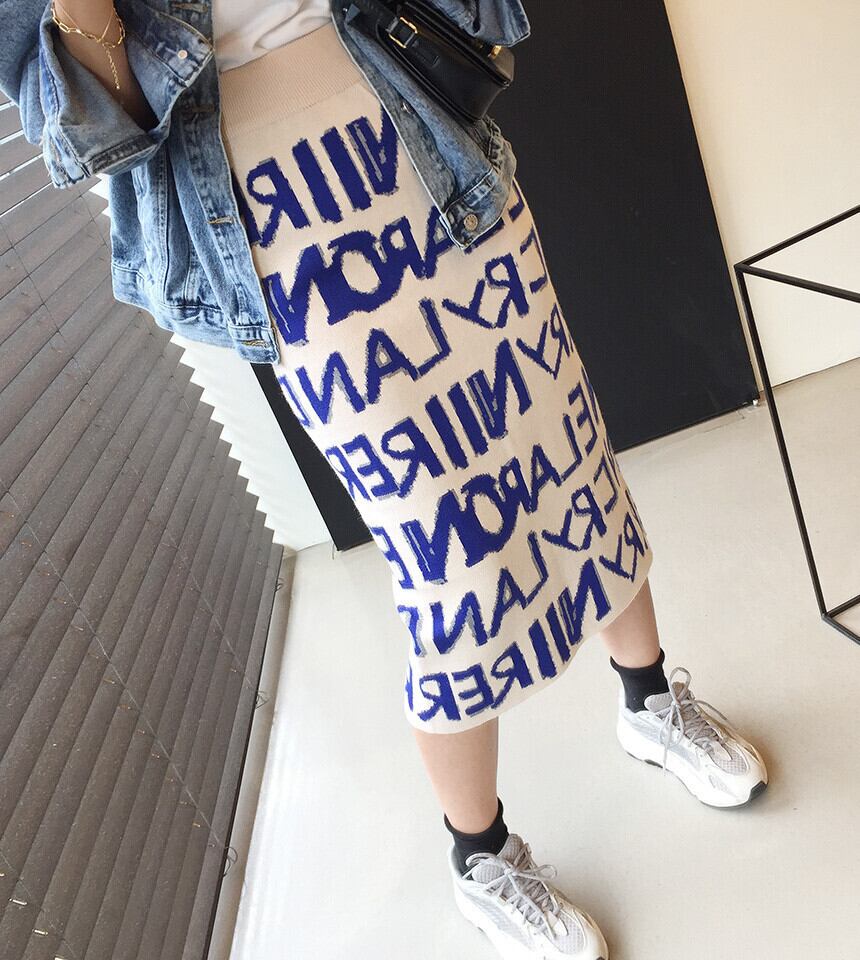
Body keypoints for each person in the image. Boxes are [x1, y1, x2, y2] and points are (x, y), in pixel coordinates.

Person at [0, 2, 768, 957]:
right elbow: (100, 131)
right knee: (438, 543)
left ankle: (651, 700)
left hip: (421, 139)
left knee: (565, 442)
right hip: (273, 224)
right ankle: (480, 856)